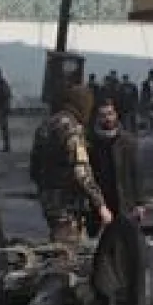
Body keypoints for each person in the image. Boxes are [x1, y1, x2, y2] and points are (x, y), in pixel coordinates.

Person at [30, 82, 109, 243]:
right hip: (68, 204)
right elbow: (81, 172)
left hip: (49, 201)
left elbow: (34, 168)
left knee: (59, 242)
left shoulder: (46, 125)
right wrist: (100, 205)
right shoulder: (72, 129)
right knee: (69, 253)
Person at [86, 98, 143, 237]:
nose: (108, 118)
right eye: (103, 115)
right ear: (98, 118)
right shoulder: (91, 143)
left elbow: (136, 173)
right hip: (100, 205)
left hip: (125, 203)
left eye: (110, 114)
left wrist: (140, 203)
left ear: (116, 114)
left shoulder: (127, 141)